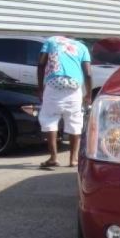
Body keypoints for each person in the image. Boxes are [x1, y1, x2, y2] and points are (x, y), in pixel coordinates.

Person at [37, 36, 92, 168]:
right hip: (73, 87)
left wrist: (40, 88)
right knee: (75, 121)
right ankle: (73, 159)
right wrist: (88, 94)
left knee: (50, 119)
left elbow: (41, 64)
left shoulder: (51, 41)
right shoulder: (82, 47)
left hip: (53, 85)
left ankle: (53, 157)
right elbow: (88, 74)